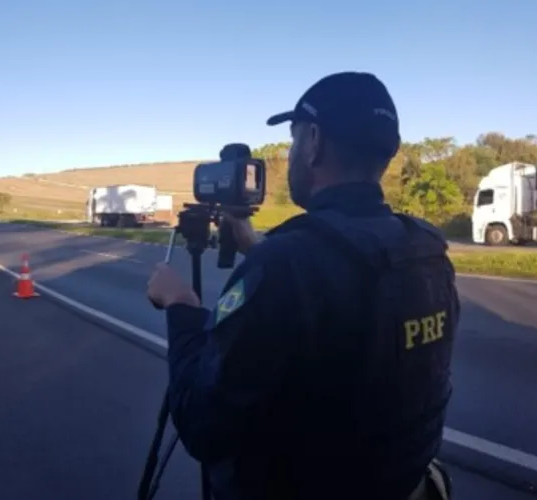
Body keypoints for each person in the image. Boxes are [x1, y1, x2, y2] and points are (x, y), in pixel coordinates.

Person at [146, 71, 460, 500]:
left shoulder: (286, 265)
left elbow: (203, 423)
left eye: (293, 141)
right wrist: (258, 248)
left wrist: (181, 304)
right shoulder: (425, 249)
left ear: (314, 141)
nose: (292, 154)